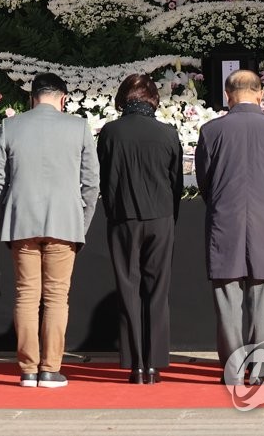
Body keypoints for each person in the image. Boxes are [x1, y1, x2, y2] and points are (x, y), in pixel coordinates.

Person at [0, 73, 100, 388]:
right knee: (56, 297)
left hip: (21, 222)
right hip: (64, 223)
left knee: (26, 295)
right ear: (63, 98)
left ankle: (27, 369)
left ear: (31, 97)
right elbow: (91, 183)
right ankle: (50, 369)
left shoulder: (11, 126)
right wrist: (81, 223)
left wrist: (7, 217)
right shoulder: (78, 127)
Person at [194, 69, 264, 385]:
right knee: (263, 304)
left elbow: (204, 182)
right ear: (261, 93)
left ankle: (233, 370)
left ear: (227, 94)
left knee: (228, 302)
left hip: (226, 221)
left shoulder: (211, 131)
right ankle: (262, 370)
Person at [96, 73, 183, 385]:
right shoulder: (167, 133)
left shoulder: (110, 133)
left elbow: (104, 179)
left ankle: (135, 364)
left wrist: (112, 210)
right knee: (157, 290)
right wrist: (171, 216)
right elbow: (176, 183)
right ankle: (154, 363)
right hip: (160, 216)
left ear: (123, 98)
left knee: (128, 288)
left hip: (122, 217)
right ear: (152, 99)